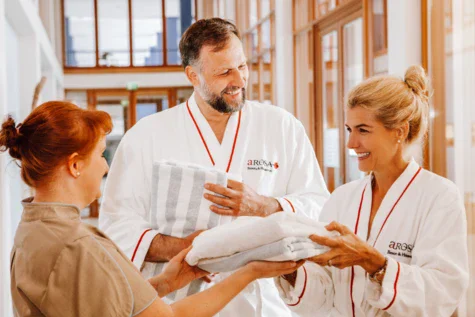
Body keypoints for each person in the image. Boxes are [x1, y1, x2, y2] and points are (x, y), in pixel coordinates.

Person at [99, 18, 329, 316]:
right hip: (182, 303)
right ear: (193, 75)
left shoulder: (281, 126)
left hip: (267, 302)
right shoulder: (147, 135)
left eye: (243, 66)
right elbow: (116, 226)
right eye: (224, 72)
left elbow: (320, 206)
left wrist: (266, 206)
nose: (240, 80)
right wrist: (184, 248)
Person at [2, 101, 303, 317]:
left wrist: (165, 283)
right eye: (100, 154)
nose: (106, 165)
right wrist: (250, 271)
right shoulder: (79, 245)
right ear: (75, 164)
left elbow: (104, 302)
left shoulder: (30, 232)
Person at [276, 65, 469, 316]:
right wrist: (290, 270)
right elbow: (324, 295)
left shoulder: (440, 196)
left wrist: (374, 262)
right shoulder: (342, 198)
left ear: (399, 132)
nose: (351, 143)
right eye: (349, 129)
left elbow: (442, 293)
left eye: (363, 130)